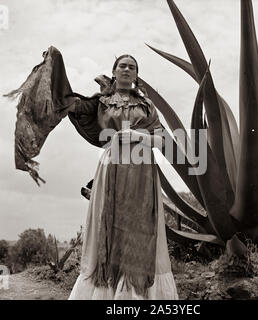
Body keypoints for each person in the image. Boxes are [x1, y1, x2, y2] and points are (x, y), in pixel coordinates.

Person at [67, 55, 179, 300]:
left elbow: (162, 141)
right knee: (109, 223)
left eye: (132, 66)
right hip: (111, 168)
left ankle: (134, 294)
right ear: (114, 72)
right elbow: (69, 104)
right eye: (122, 66)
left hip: (141, 171)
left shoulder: (147, 104)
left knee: (138, 228)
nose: (127, 69)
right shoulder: (101, 102)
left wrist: (139, 137)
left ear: (136, 74)